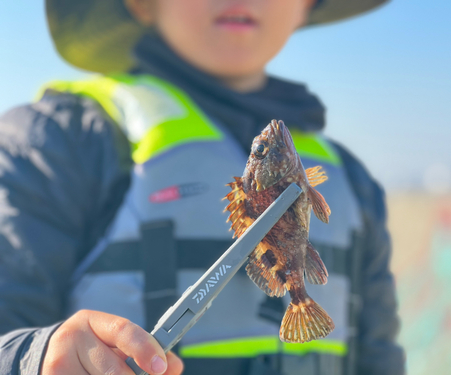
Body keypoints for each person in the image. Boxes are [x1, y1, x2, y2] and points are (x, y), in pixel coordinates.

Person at [0, 0, 405, 374]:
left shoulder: (354, 181)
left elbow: (379, 356)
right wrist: (36, 355)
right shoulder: (57, 142)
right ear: (140, 3)